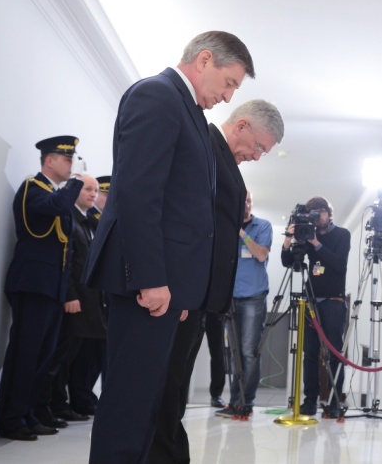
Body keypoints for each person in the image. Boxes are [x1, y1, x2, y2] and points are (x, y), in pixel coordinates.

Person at [85, 30, 255, 464]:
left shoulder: (189, 113)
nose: (228, 94)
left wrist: (179, 287)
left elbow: (185, 209)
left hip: (166, 288)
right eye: (230, 82)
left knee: (146, 405)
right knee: (128, 404)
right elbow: (140, 194)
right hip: (145, 283)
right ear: (204, 61)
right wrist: (153, 279)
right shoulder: (157, 96)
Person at [150, 101, 283, 464]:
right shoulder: (203, 146)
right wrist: (178, 290)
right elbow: (187, 229)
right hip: (184, 294)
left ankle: (172, 451)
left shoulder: (221, 156)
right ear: (242, 126)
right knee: (166, 386)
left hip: (201, 298)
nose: (257, 156)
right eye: (259, 147)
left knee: (176, 386)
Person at [0, 136, 85, 441]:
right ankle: (12, 417)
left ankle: (30, 413)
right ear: (50, 160)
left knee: (42, 357)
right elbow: (59, 205)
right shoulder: (32, 189)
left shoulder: (53, 194)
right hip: (32, 283)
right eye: (67, 159)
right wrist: (76, 182)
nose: (71, 164)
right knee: (25, 354)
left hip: (52, 287)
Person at [39, 174, 102, 425]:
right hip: (74, 300)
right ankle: (53, 404)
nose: (93, 194)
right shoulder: (70, 219)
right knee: (61, 358)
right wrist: (70, 296)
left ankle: (61, 403)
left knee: (75, 356)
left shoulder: (86, 221)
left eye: (95, 190)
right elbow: (68, 263)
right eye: (88, 188)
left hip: (88, 300)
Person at [280, 196, 351, 416]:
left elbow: (339, 264)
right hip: (310, 301)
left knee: (334, 352)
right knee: (309, 354)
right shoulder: (305, 235)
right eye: (312, 212)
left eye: (320, 211)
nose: (316, 216)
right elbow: (289, 262)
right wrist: (289, 240)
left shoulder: (342, 234)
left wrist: (316, 244)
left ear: (329, 214)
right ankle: (310, 401)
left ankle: (334, 401)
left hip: (333, 301)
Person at [214, 189, 275, 419]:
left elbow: (260, 255)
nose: (247, 204)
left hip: (253, 297)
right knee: (234, 354)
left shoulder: (264, 226)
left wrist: (240, 233)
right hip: (229, 297)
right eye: (243, 201)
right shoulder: (223, 227)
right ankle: (234, 401)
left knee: (249, 352)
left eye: (249, 200)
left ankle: (245, 402)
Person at [69, 174, 111, 417]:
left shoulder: (94, 221)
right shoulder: (85, 220)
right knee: (77, 353)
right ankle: (75, 398)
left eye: (99, 192)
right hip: (82, 297)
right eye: (95, 191)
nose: (97, 196)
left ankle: (84, 396)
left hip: (98, 298)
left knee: (95, 351)